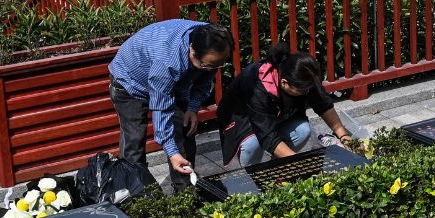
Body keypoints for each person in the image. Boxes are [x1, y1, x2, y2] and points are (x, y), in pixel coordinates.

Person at [107, 19, 232, 182]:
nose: (213, 69)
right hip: (129, 81)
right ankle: (134, 194)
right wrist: (172, 152)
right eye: (208, 65)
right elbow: (161, 110)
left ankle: (185, 191)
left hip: (169, 79)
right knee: (134, 140)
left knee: (183, 130)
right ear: (192, 51)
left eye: (217, 65)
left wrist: (192, 108)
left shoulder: (210, 38)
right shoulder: (166, 63)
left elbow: (205, 78)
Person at [217, 44, 357, 168]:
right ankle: (252, 176)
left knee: (302, 130)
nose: (307, 93)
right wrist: (300, 164)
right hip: (243, 120)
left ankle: (277, 167)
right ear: (284, 83)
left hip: (276, 115)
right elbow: (267, 136)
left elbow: (323, 104)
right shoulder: (256, 86)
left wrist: (343, 136)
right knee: (253, 144)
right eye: (302, 91)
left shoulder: (302, 74)